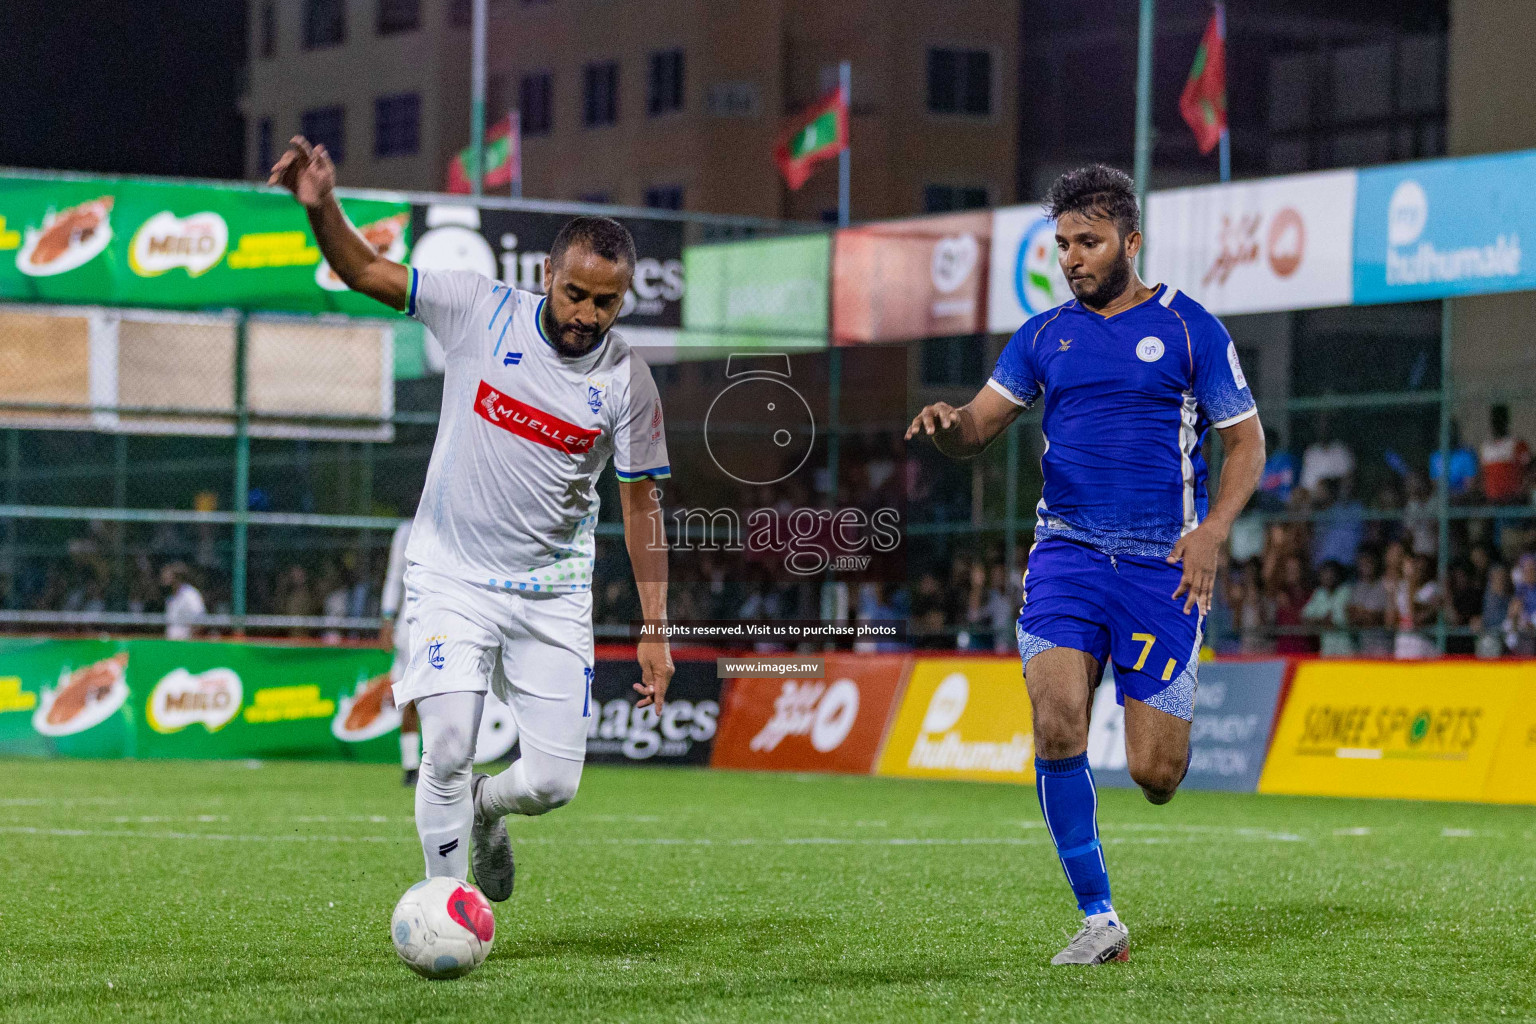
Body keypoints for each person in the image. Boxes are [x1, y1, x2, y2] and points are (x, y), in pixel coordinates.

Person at [271, 136, 674, 903]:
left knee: (554, 783)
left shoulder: (629, 380)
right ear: (547, 275)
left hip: (552, 590)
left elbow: (641, 505)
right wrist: (324, 207)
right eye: (576, 294)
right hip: (451, 571)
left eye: (607, 302)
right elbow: (364, 270)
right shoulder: (478, 309)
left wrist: (655, 626)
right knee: (448, 742)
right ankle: (446, 905)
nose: (587, 314)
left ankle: (488, 809)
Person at [905, 165, 1264, 966]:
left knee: (1156, 772)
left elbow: (1246, 441)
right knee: (1057, 718)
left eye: (1089, 242)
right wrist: (948, 426)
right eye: (1063, 243)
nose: (1072, 258)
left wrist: (1212, 532)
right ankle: (1098, 917)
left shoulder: (1188, 327)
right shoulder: (1042, 336)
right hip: (1065, 555)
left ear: (1130, 242)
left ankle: (1169, 709)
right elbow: (977, 427)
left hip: (1162, 567)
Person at [380, 517, 422, 787]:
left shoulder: (458, 523)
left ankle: (443, 764)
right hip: (410, 624)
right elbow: (395, 575)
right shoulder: (407, 531)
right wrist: (387, 617)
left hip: (449, 622)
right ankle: (410, 766)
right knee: (410, 696)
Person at [1480, 404, 1530, 505]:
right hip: (1492, 500)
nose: (1497, 424)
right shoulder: (1486, 447)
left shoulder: (1517, 444)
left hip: (1513, 498)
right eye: (1495, 421)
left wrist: (1522, 490)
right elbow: (1483, 476)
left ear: (1506, 422)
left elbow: (1529, 470)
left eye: (1500, 420)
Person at [161, 562, 205, 640]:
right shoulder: (170, 597)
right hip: (171, 643)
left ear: (177, 577)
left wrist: (190, 637)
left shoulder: (190, 594)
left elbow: (200, 618)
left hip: (186, 643)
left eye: (168, 575)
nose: (164, 577)